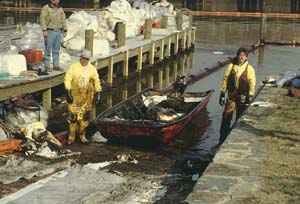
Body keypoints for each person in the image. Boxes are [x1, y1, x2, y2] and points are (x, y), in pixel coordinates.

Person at [64, 49, 102, 144]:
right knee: (73, 117)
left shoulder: (92, 69)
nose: (84, 61)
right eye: (83, 58)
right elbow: (67, 79)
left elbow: (96, 80)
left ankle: (82, 136)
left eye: (87, 59)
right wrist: (68, 91)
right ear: (80, 57)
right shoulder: (73, 67)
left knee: (84, 118)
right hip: (75, 96)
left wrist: (98, 92)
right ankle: (71, 137)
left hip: (87, 97)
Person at [219, 47, 256, 137]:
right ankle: (222, 136)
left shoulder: (249, 68)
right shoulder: (231, 66)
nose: (242, 57)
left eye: (244, 55)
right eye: (240, 55)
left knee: (240, 117)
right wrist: (222, 93)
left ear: (246, 57)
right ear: (237, 56)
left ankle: (236, 135)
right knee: (226, 116)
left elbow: (252, 82)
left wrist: (250, 95)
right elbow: (225, 79)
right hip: (232, 95)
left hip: (243, 96)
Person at [40, 0, 67, 72]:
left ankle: (56, 65)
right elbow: (42, 19)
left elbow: (63, 19)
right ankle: (47, 66)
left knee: (56, 50)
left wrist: (65, 30)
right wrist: (44, 30)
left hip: (58, 31)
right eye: (55, 0)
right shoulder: (46, 8)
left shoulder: (60, 8)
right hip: (49, 31)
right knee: (48, 49)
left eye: (58, 0)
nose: (57, 1)